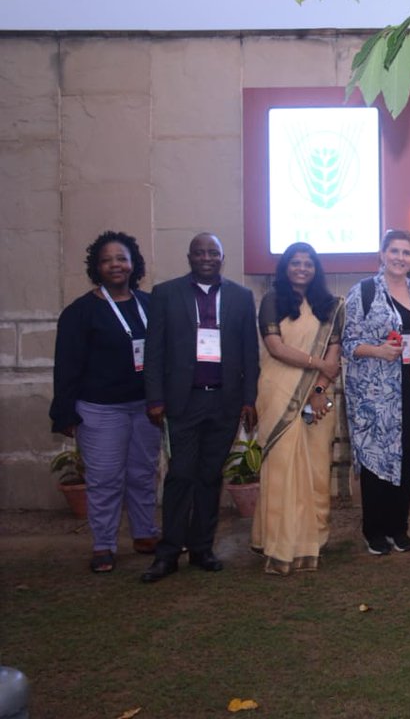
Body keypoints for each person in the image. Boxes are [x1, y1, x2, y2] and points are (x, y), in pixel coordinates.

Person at [140, 233, 259, 583]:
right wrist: (155, 399)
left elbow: (250, 355)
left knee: (209, 477)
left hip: (224, 402)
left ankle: (202, 549)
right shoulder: (166, 294)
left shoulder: (240, 296)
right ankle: (168, 553)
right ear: (189, 256)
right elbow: (154, 352)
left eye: (213, 253)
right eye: (200, 252)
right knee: (180, 476)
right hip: (183, 402)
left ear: (222, 258)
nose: (206, 257)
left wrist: (249, 399)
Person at [50, 231, 161, 574]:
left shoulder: (149, 305)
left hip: (145, 408)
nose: (116, 264)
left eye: (122, 258)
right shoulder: (80, 312)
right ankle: (104, 545)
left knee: (143, 474)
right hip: (100, 410)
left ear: (133, 264)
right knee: (105, 479)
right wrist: (64, 412)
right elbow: (66, 366)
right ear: (96, 267)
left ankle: (145, 534)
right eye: (107, 260)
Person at [250, 243, 344, 575]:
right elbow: (275, 348)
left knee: (317, 471)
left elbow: (335, 352)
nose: (302, 268)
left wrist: (319, 389)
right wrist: (317, 364)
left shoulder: (330, 307)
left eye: (308, 263)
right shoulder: (272, 301)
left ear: (316, 269)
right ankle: (279, 543)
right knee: (281, 468)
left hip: (319, 395)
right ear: (285, 268)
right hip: (279, 391)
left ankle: (309, 543)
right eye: (295, 262)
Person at [342, 230, 410, 555]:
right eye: (394, 251)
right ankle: (374, 529)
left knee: (407, 454)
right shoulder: (363, 291)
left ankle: (398, 527)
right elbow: (348, 343)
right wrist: (378, 351)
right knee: (375, 458)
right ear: (382, 254)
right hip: (373, 392)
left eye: (406, 252)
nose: (400, 258)